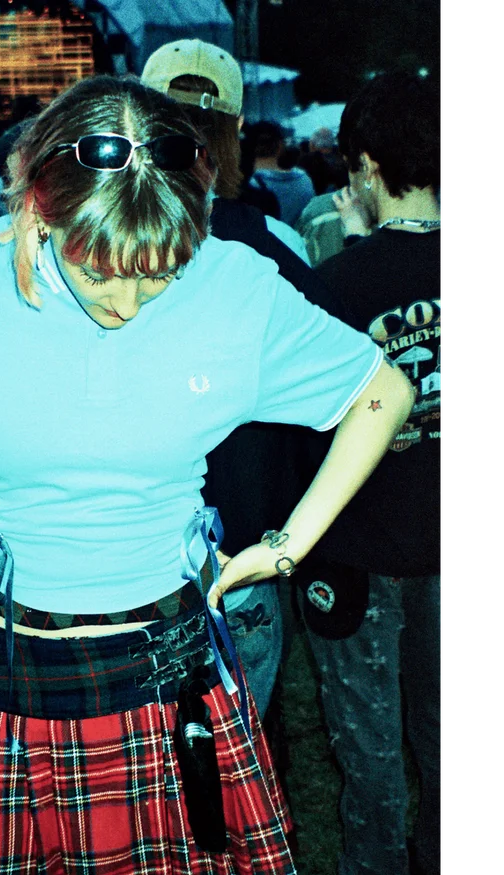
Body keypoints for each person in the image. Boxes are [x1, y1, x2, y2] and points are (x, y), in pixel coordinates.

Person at [0, 75, 413, 875]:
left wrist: (286, 546)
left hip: (174, 673)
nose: (128, 301)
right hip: (12, 677)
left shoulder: (235, 283)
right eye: (100, 270)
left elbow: (382, 390)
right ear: (39, 206)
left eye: (159, 272)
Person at [140, 38, 323, 719]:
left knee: (142, 750)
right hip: (243, 540)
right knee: (239, 742)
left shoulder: (92, 247)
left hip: (130, 543)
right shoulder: (277, 248)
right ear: (238, 129)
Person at [301, 70, 445, 875]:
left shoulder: (334, 286)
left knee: (371, 749)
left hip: (360, 546)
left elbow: (306, 432)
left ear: (363, 166)